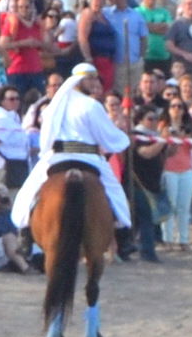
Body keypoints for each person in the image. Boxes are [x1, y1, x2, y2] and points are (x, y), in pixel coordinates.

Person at [9, 62, 134, 234]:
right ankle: (123, 231)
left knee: (30, 191)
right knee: (115, 192)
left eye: (95, 79)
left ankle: (25, 229)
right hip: (89, 157)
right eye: (89, 79)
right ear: (77, 80)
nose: (93, 83)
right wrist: (123, 139)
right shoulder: (91, 106)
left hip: (58, 157)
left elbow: (46, 135)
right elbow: (106, 137)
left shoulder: (55, 106)